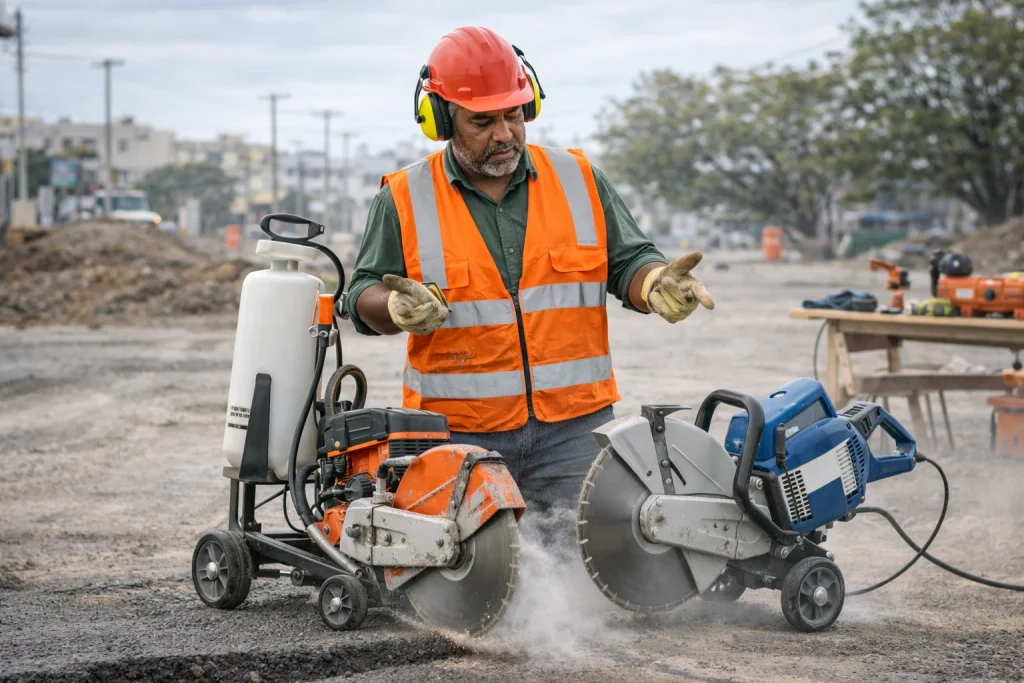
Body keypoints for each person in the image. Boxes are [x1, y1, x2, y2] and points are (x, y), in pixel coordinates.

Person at [344, 26, 714, 520]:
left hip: (575, 430)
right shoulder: (405, 197)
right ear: (442, 120)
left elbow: (627, 260)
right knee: (469, 580)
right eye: (483, 121)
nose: (504, 134)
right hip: (458, 432)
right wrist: (391, 307)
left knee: (590, 570)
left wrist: (654, 283)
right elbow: (362, 291)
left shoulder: (578, 178)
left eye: (514, 114)